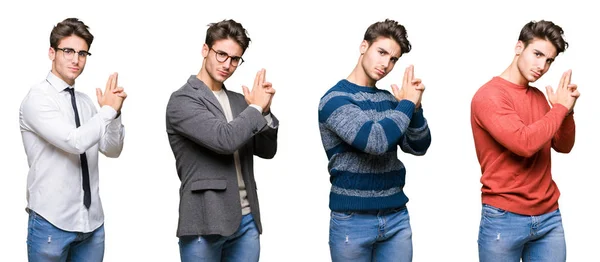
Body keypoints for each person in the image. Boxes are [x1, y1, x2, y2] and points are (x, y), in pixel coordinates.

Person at [318, 19, 431, 262]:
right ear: (363, 46)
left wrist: (416, 109)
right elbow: (375, 141)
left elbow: (418, 146)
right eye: (381, 52)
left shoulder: (390, 100)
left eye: (393, 59)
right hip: (352, 221)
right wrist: (407, 104)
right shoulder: (335, 99)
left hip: (396, 218)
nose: (386, 64)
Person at [165, 19, 278, 262]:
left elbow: (267, 150)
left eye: (235, 59)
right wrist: (256, 108)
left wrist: (265, 112)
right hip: (205, 221)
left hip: (246, 220)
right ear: (205, 50)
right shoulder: (182, 101)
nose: (227, 64)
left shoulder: (240, 102)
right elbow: (224, 140)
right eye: (221, 54)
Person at [19, 18, 127, 261]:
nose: (76, 59)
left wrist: (115, 114)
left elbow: (112, 149)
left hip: (92, 225)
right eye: (68, 51)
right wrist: (107, 112)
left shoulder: (86, 102)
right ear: (52, 52)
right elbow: (74, 141)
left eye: (82, 53)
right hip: (51, 222)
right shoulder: (37, 99)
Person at [470, 20, 579, 262]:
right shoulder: (489, 96)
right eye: (537, 54)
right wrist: (559, 108)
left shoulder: (539, 97)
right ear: (519, 47)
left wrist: (567, 112)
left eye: (549, 60)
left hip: (549, 216)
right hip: (504, 217)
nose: (542, 66)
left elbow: (563, 145)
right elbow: (524, 144)